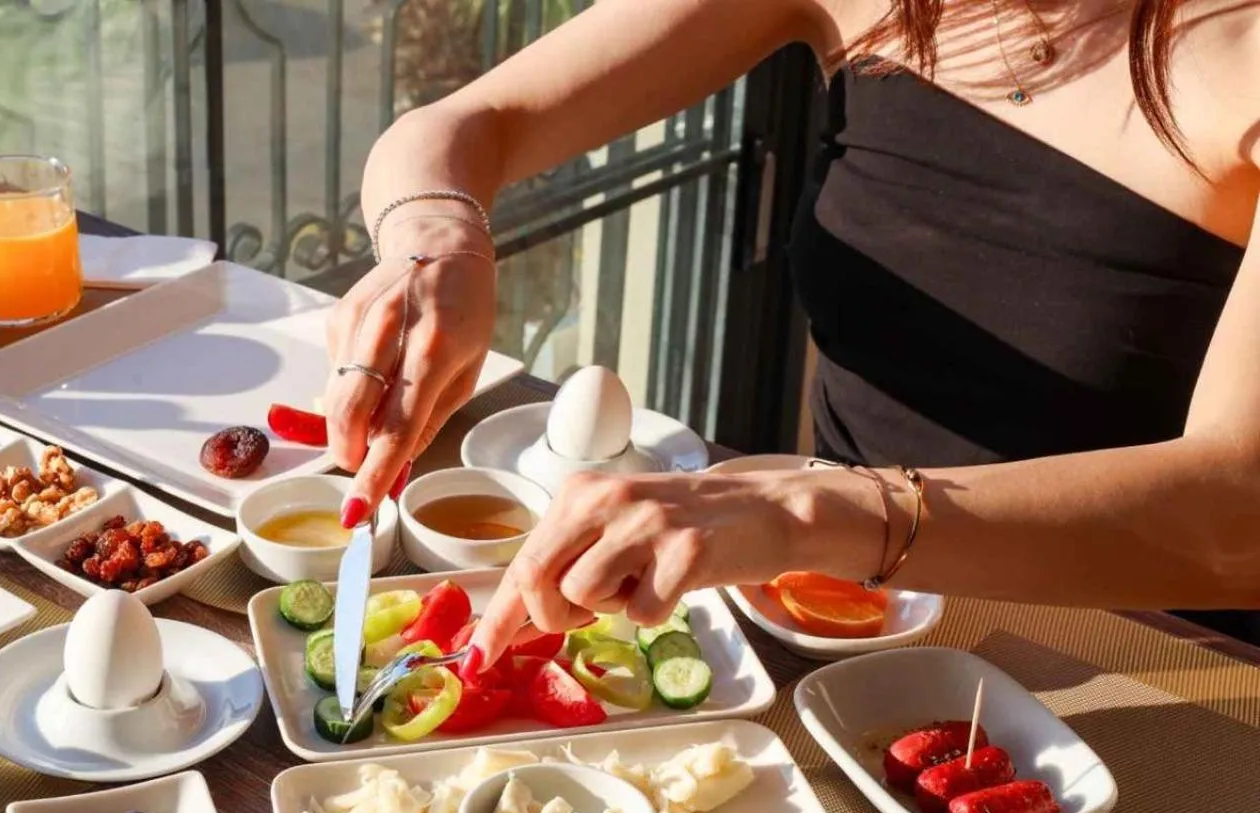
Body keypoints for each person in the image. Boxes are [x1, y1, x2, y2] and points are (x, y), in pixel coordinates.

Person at [321, 0, 1260, 676]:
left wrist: (808, 514)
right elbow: (462, 125)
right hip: (829, 624)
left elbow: (1238, 510)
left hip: (1158, 669)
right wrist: (437, 237)